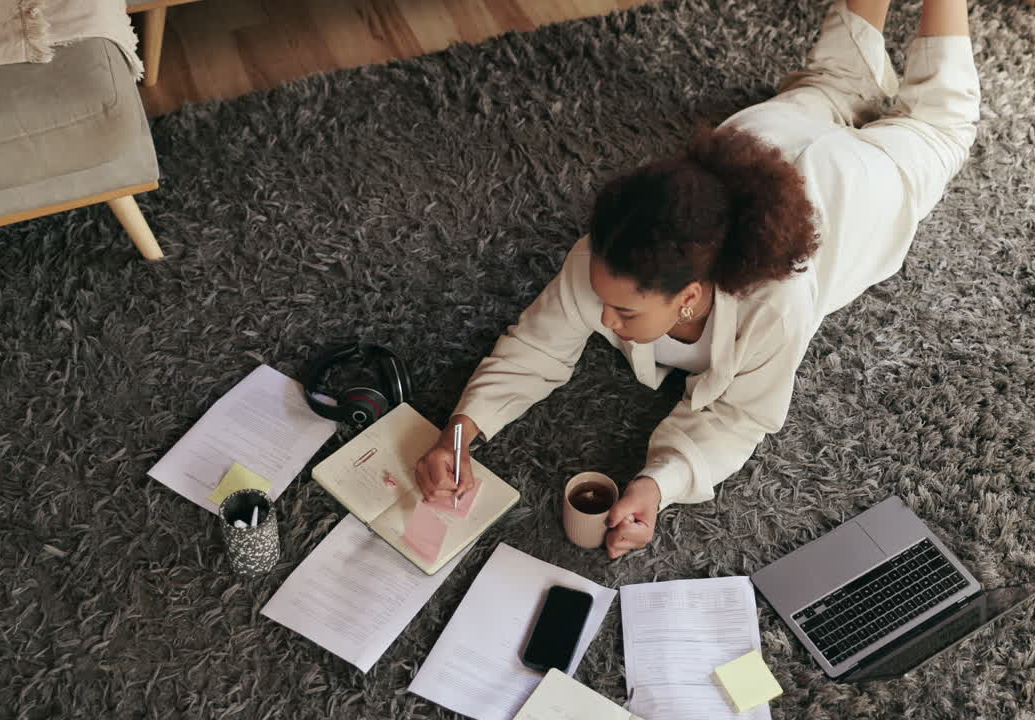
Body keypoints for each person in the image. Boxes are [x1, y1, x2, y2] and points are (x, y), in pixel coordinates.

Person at [415, 0, 981, 558]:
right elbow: (534, 347)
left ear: (688, 298)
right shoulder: (604, 260)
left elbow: (742, 415)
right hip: (763, 136)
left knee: (942, 124)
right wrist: (461, 431)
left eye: (626, 313)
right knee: (832, 83)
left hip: (852, 188)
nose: (603, 317)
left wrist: (663, 480)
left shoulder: (777, 304)